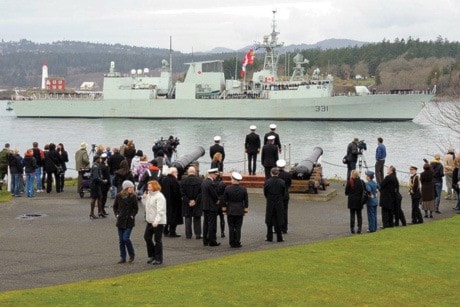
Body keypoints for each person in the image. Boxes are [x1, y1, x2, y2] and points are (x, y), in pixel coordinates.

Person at [113, 180, 139, 264]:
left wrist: (132, 215)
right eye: (130, 187)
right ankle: (122, 257)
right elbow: (115, 207)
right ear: (125, 188)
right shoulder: (118, 196)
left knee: (125, 238)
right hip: (120, 220)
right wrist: (117, 215)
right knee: (121, 240)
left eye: (132, 187)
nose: (132, 189)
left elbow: (136, 208)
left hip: (129, 221)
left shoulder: (133, 197)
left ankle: (132, 254)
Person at [142, 180, 166, 265]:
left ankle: (159, 258)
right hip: (150, 221)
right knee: (147, 237)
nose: (148, 188)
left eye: (150, 186)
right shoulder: (149, 195)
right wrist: (144, 198)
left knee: (157, 240)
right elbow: (147, 206)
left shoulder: (159, 196)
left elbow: (160, 210)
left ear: (154, 187)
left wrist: (156, 221)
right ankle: (152, 255)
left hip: (158, 222)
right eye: (148, 186)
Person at [222, 172, 249, 248]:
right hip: (240, 210)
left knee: (231, 227)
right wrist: (245, 210)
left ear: (233, 180)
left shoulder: (227, 188)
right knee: (238, 227)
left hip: (230, 210)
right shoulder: (243, 189)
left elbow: (224, 201)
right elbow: (246, 201)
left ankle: (231, 242)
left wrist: (224, 210)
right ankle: (237, 242)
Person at [180, 166, 203, 239]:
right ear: (195, 172)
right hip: (197, 203)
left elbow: (182, 193)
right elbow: (201, 193)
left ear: (188, 172)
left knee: (187, 218)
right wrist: (195, 200)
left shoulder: (183, 181)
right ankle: (198, 234)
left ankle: (188, 235)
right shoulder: (200, 181)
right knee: (197, 218)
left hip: (186, 203)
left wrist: (188, 201)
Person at [264, 167, 285, 242]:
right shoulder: (282, 182)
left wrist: (269, 198)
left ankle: (269, 237)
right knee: (279, 219)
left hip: (270, 202)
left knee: (269, 219)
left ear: (271, 173)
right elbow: (283, 193)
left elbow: (265, 192)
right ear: (278, 173)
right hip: (279, 202)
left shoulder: (267, 182)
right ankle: (280, 237)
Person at [160, 167, 183, 237]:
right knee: (174, 217)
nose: (177, 174)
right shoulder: (174, 181)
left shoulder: (164, 179)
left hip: (165, 201)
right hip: (174, 202)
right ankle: (172, 232)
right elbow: (177, 193)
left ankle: (165, 230)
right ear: (174, 173)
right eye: (176, 172)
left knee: (166, 216)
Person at [201, 168, 221, 247]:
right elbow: (214, 195)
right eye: (215, 175)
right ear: (212, 174)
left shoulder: (204, 182)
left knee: (206, 224)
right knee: (212, 224)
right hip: (211, 207)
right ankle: (212, 241)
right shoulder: (210, 183)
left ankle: (205, 240)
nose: (216, 176)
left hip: (205, 206)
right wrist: (217, 200)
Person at [345, 170, 365, 234]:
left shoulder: (350, 182)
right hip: (359, 201)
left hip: (352, 200)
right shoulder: (361, 182)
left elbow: (346, 192)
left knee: (352, 215)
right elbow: (363, 191)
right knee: (359, 215)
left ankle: (352, 228)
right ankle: (359, 228)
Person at [276, 159, 291, 233]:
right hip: (285, 194)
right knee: (285, 211)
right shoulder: (288, 174)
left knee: (276, 211)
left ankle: (277, 228)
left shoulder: (276, 175)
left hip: (277, 195)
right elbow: (289, 184)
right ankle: (284, 228)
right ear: (284, 166)